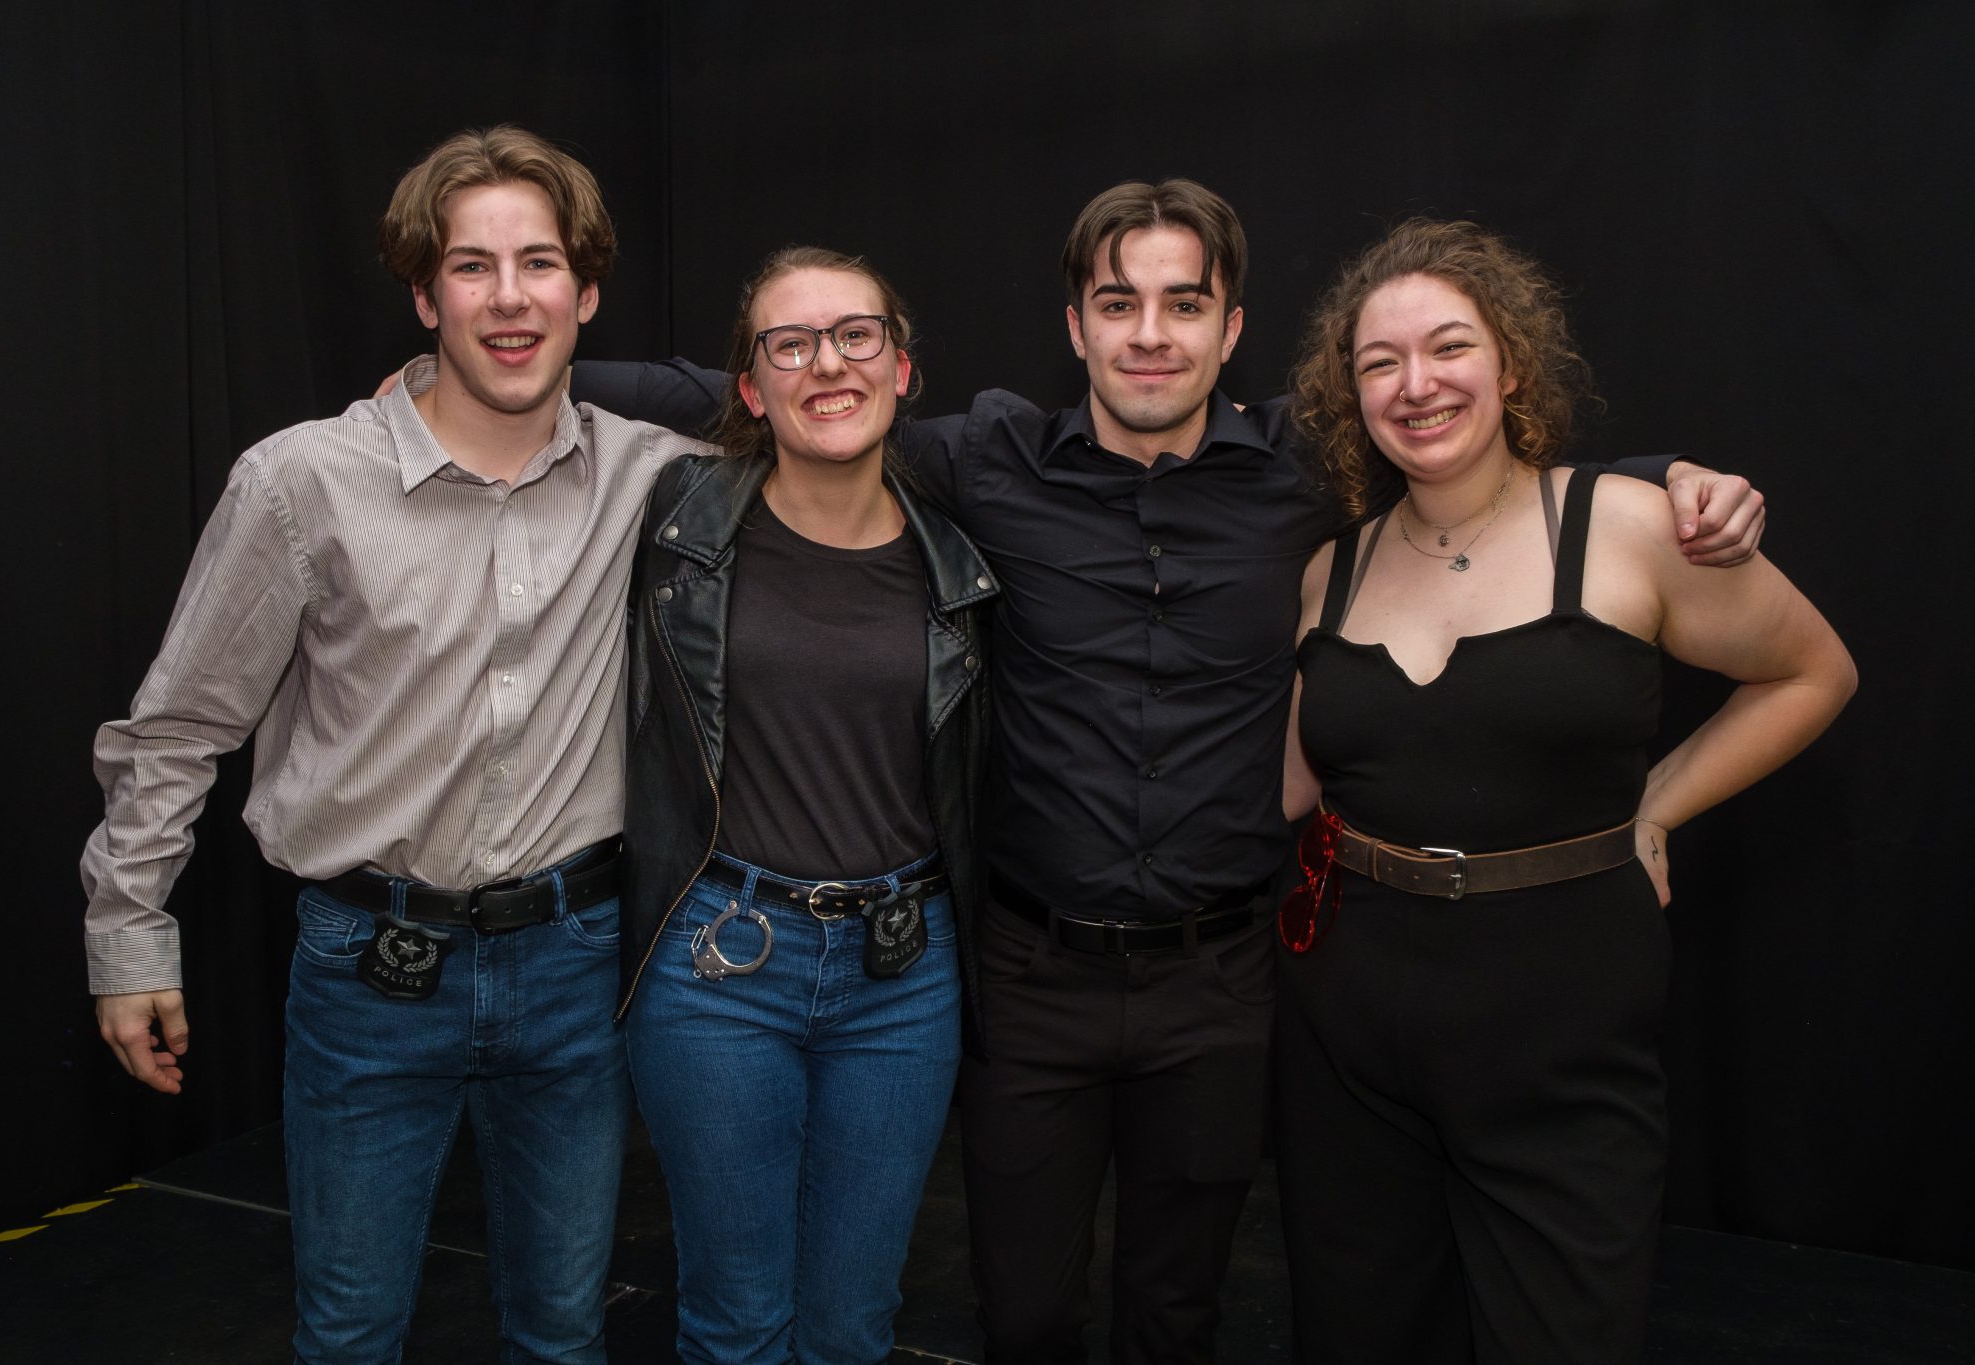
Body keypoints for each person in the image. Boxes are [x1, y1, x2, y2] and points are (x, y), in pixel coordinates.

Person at [569, 180, 1766, 1364]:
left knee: (1175, 1315)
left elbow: (1484, 465)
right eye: (1117, 303)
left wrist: (1669, 479)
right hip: (1030, 972)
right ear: (1075, 327)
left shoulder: (1311, 472)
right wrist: (519, 365)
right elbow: (784, 388)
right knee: (1022, 1317)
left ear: (1229, 329)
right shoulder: (987, 460)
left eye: (1183, 304)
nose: (1149, 334)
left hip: (1221, 981)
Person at [81, 126, 697, 1364]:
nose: (508, 296)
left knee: (562, 1331)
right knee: (351, 1333)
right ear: (424, 296)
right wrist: (127, 933)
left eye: (539, 265)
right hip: (369, 970)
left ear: (587, 293)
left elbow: (805, 398)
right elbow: (180, 727)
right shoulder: (299, 483)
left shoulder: (657, 477)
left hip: (577, 968)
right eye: (471, 268)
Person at [1274, 218, 1856, 1363]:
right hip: (1347, 1020)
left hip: (1562, 1018)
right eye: (1379, 362)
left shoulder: (1630, 528)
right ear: (1350, 396)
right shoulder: (1328, 571)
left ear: (1509, 364)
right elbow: (1292, 785)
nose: (1415, 383)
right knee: (1356, 1332)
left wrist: (1655, 806)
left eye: (1448, 346)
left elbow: (1812, 672)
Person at [614, 246, 996, 1364]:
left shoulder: (965, 563)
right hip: (719, 963)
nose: (827, 364)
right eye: (790, 345)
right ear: (749, 389)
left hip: (903, 976)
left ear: (901, 367)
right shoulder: (675, 526)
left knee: (851, 1325)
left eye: (854, 335)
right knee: (736, 1321)